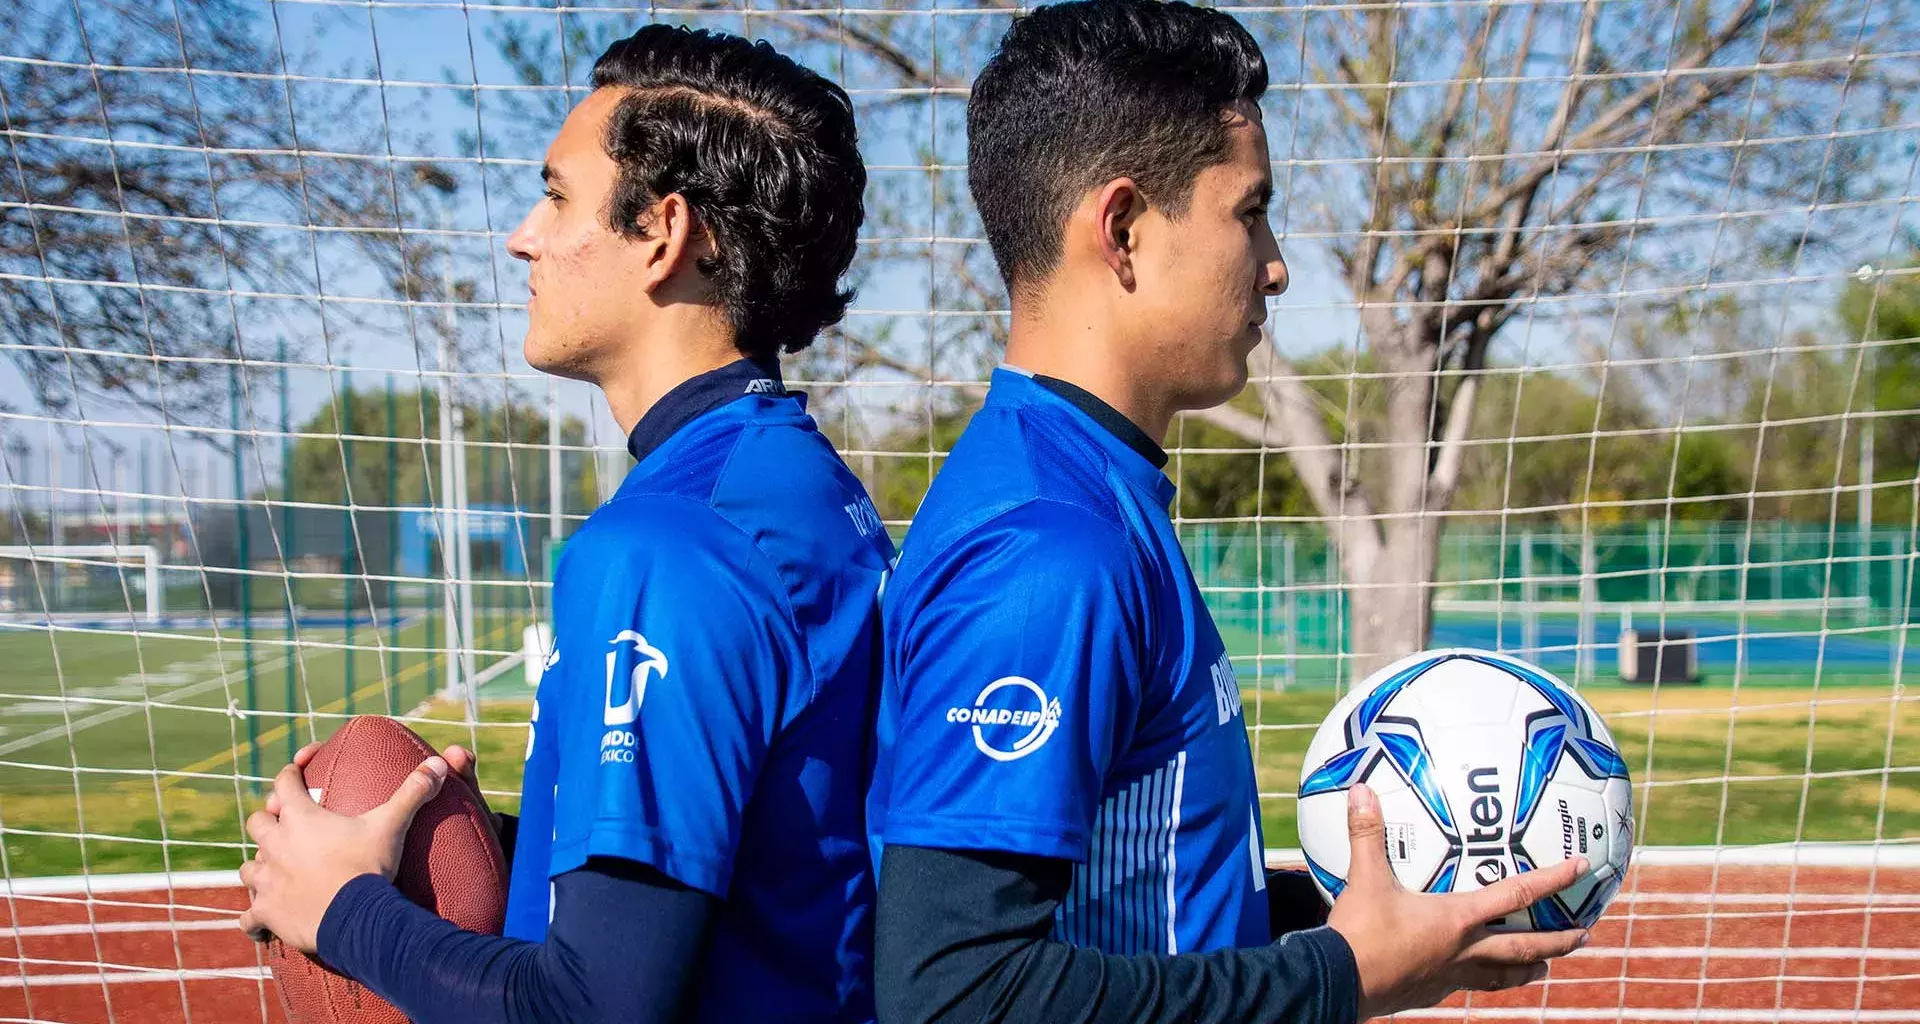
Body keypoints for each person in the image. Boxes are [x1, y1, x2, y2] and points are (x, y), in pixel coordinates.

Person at [865, 2, 1590, 1021]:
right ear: (1122, 230)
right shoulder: (1045, 551)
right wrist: (1342, 977)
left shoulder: (1094, 490)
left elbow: (1136, 898)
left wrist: (1377, 919)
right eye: (1250, 212)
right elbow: (953, 991)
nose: (1278, 262)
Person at [237, 24, 890, 1024]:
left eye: (555, 195)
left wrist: (342, 905)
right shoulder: (803, 484)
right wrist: (488, 834)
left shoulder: (667, 545)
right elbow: (773, 847)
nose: (522, 237)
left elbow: (592, 1006)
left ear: (665, 236)